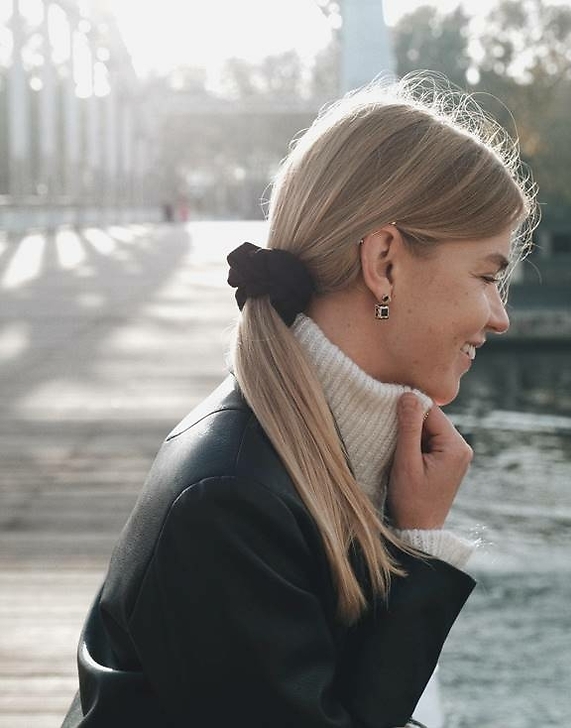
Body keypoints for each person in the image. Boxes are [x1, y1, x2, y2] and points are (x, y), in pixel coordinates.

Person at [61, 73, 537, 728]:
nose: (499, 317)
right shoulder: (230, 503)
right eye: (487, 275)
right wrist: (419, 549)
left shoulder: (283, 453)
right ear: (384, 262)